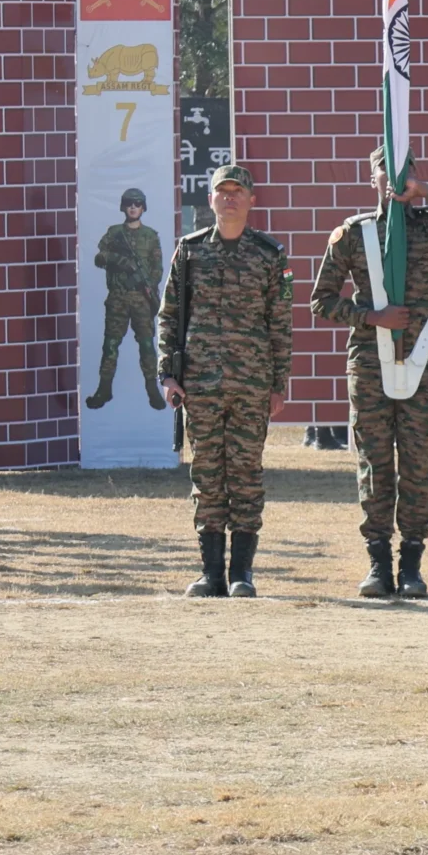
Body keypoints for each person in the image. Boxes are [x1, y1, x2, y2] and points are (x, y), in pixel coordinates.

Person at [310, 152, 428, 599]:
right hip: (369, 362)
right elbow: (322, 300)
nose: (394, 176)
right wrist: (371, 316)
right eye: (385, 168)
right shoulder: (354, 234)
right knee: (374, 462)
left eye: (405, 168)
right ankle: (377, 562)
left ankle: (411, 563)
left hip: (420, 360)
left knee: (416, 463)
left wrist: (426, 192)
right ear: (371, 176)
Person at [159, 164, 293, 598]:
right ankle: (212, 572)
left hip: (252, 385)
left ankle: (242, 573)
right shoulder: (191, 251)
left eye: (238, 191)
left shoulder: (269, 255)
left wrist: (278, 384)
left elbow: (280, 324)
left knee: (247, 476)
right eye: (223, 191)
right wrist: (168, 374)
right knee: (208, 477)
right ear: (211, 199)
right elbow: (169, 318)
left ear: (252, 200)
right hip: (200, 384)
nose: (230, 198)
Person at [90, 187, 165, 412]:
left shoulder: (151, 236)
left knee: (146, 345)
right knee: (110, 344)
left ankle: (153, 389)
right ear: (124, 206)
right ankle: (104, 389)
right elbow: (99, 257)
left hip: (141, 299)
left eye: (138, 203)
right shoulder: (114, 233)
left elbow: (157, 270)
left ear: (143, 207)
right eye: (130, 203)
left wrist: (146, 285)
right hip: (118, 299)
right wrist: (120, 261)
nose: (133, 207)